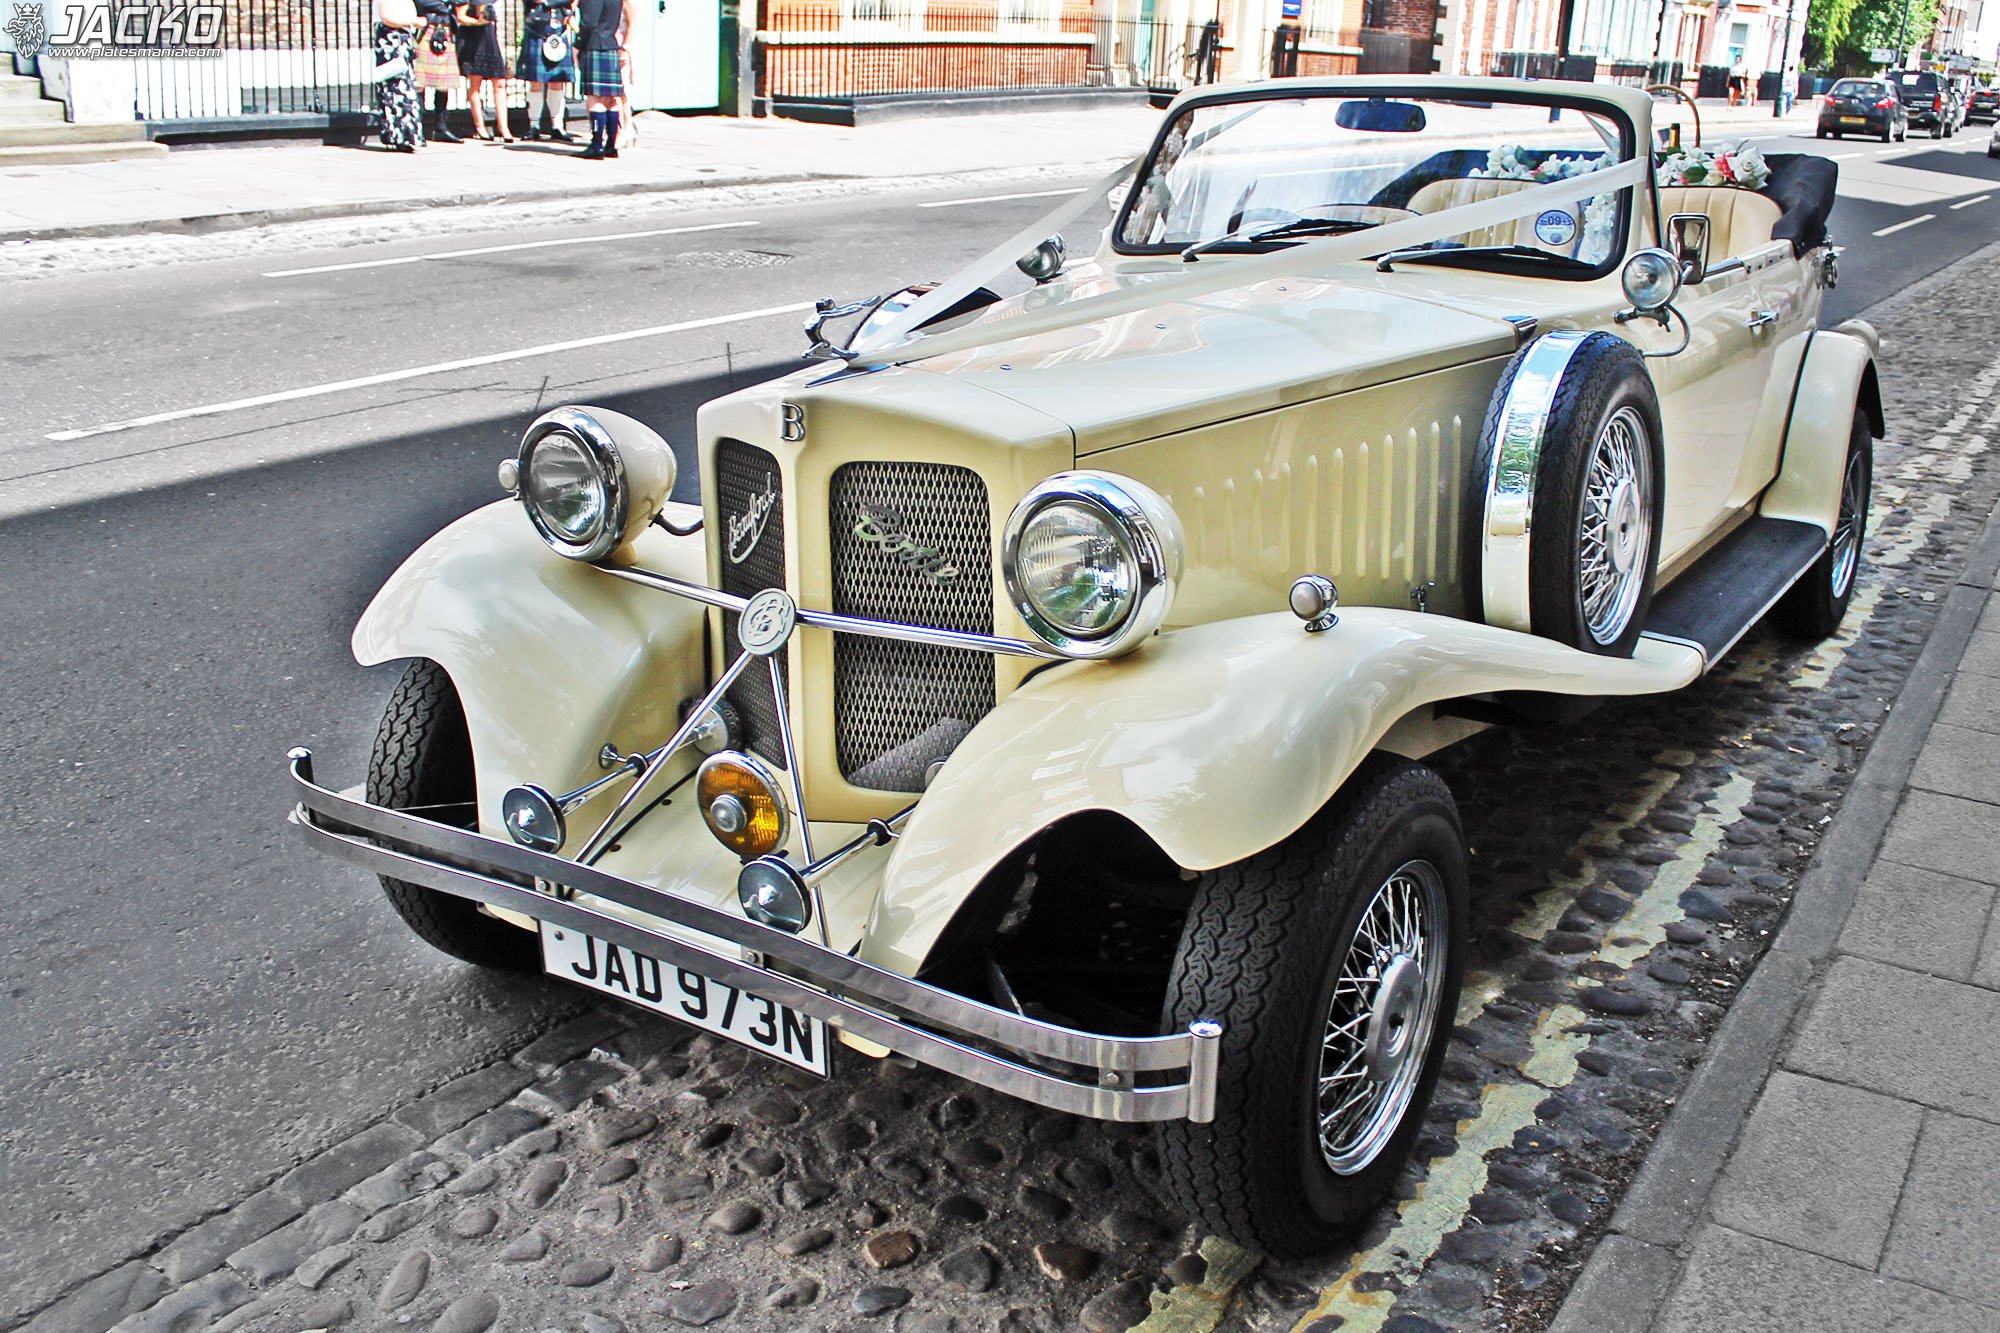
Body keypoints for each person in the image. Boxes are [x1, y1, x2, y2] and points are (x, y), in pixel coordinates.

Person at [573, 0, 631, 158]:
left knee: (595, 98)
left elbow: (589, 23)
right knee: (611, 100)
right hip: (611, 44)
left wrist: (578, 44)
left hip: (594, 46)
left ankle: (596, 145)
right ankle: (611, 145)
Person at [516, 0, 578, 141]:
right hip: (537, 31)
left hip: (558, 32)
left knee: (557, 81)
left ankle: (557, 127)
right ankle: (534, 126)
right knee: (536, 82)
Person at [454, 0, 514, 142]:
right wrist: (477, 22)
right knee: (476, 82)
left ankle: (504, 127)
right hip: (473, 37)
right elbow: (460, 16)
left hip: (489, 36)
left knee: (500, 82)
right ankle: (480, 126)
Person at [373, 0, 425, 153]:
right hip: (390, 41)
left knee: (405, 90)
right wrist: (413, 21)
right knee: (394, 88)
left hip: (403, 40)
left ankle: (407, 135)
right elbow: (387, 18)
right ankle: (396, 135)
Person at [413, 0, 463, 143]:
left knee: (444, 83)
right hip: (427, 29)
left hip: (447, 30)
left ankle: (441, 128)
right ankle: (417, 128)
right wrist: (445, 5)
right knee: (419, 83)